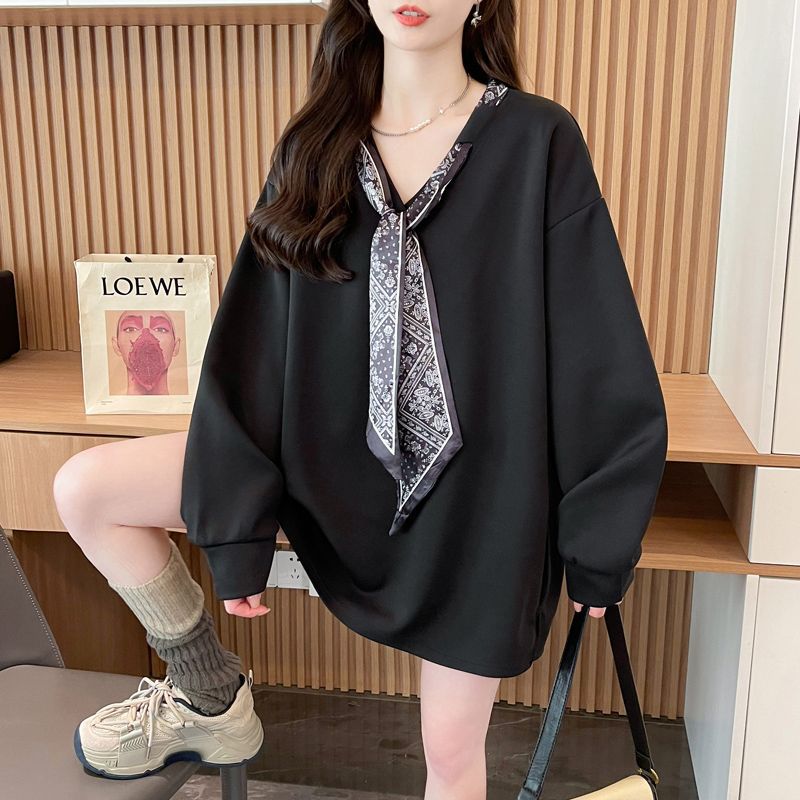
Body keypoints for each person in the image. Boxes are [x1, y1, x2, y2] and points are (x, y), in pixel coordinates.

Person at [53, 0, 668, 796]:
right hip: (321, 475)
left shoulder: (537, 141)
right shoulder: (314, 148)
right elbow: (254, 345)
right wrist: (238, 529)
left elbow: (594, 345)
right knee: (87, 490)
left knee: (451, 752)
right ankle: (206, 691)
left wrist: (600, 532)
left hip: (478, 509)